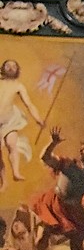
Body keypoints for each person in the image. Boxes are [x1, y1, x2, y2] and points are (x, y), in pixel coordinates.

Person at [0, 59, 45, 187]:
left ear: (17, 70)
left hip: (10, 120)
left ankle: (16, 172)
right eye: (7, 66)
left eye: (13, 66)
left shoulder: (18, 86)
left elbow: (29, 104)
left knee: (11, 143)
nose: (10, 68)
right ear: (2, 68)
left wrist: (38, 119)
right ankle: (4, 181)